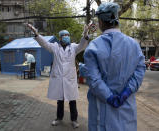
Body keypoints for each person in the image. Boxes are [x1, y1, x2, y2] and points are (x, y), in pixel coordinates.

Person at [79, 2, 146, 131]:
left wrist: (109, 97)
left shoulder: (93, 47)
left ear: (100, 22)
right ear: (116, 19)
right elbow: (140, 70)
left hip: (101, 109)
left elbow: (94, 80)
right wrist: (126, 92)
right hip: (126, 109)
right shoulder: (134, 45)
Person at [26, 23, 91, 128]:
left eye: (68, 35)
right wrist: (36, 34)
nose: (66, 37)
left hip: (70, 79)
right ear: (60, 37)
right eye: (64, 35)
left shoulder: (74, 47)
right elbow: (45, 44)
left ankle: (74, 120)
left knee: (72, 100)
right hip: (59, 78)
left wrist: (86, 34)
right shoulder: (55, 47)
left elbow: (83, 45)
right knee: (59, 100)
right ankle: (59, 118)